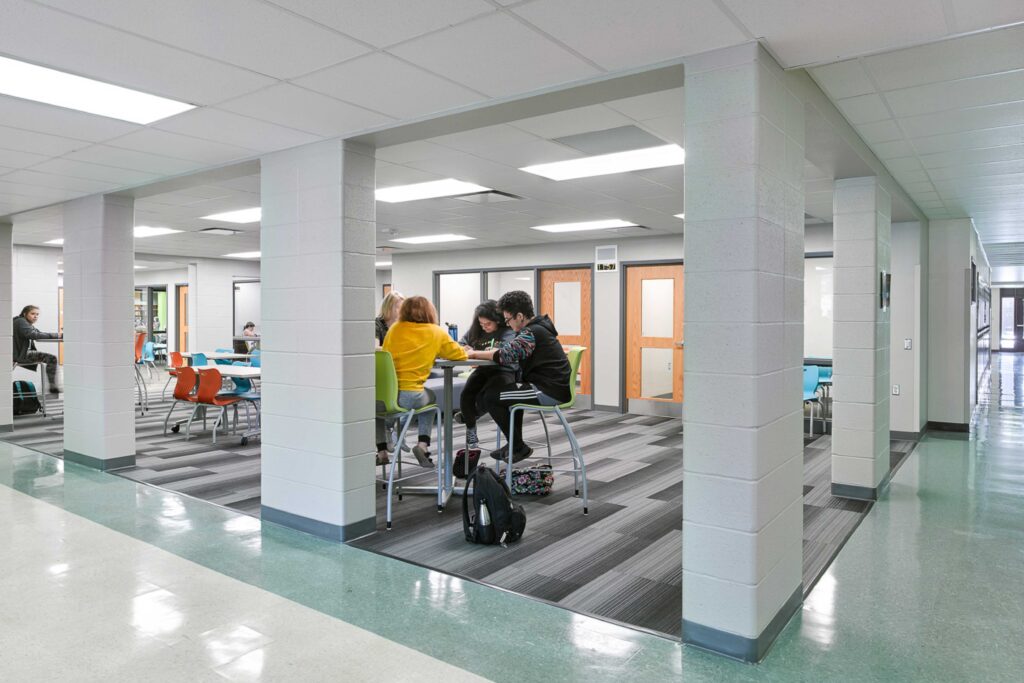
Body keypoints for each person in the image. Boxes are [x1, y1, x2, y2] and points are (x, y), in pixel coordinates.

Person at [466, 291, 571, 464]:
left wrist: (473, 354)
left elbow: (505, 355)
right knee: (505, 394)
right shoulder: (539, 328)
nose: (508, 324)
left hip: (548, 391)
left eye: (508, 320)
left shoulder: (532, 332)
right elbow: (507, 352)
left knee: (492, 397)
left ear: (520, 316)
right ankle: (515, 444)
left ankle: (518, 446)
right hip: (549, 387)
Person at [379, 296, 467, 467]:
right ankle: (422, 445)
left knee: (380, 417)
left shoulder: (394, 329)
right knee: (431, 401)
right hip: (411, 395)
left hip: (386, 395)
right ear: (430, 311)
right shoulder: (436, 331)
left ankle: (382, 449)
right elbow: (460, 355)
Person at [456, 300, 514, 449]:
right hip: (483, 369)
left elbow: (503, 353)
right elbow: (459, 343)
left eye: (488, 324)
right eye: (481, 324)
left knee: (487, 396)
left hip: (503, 370)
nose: (484, 327)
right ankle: (471, 428)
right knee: (467, 393)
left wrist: (475, 354)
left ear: (497, 320)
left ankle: (469, 415)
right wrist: (464, 347)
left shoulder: (507, 332)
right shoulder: (476, 330)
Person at [13, 305, 62, 394]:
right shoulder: (21, 322)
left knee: (50, 358)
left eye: (37, 314)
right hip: (20, 355)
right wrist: (58, 335)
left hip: (20, 353)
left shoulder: (24, 322)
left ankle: (52, 388)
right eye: (33, 314)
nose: (35, 316)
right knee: (51, 358)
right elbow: (34, 335)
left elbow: (38, 333)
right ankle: (52, 388)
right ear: (25, 314)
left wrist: (57, 334)